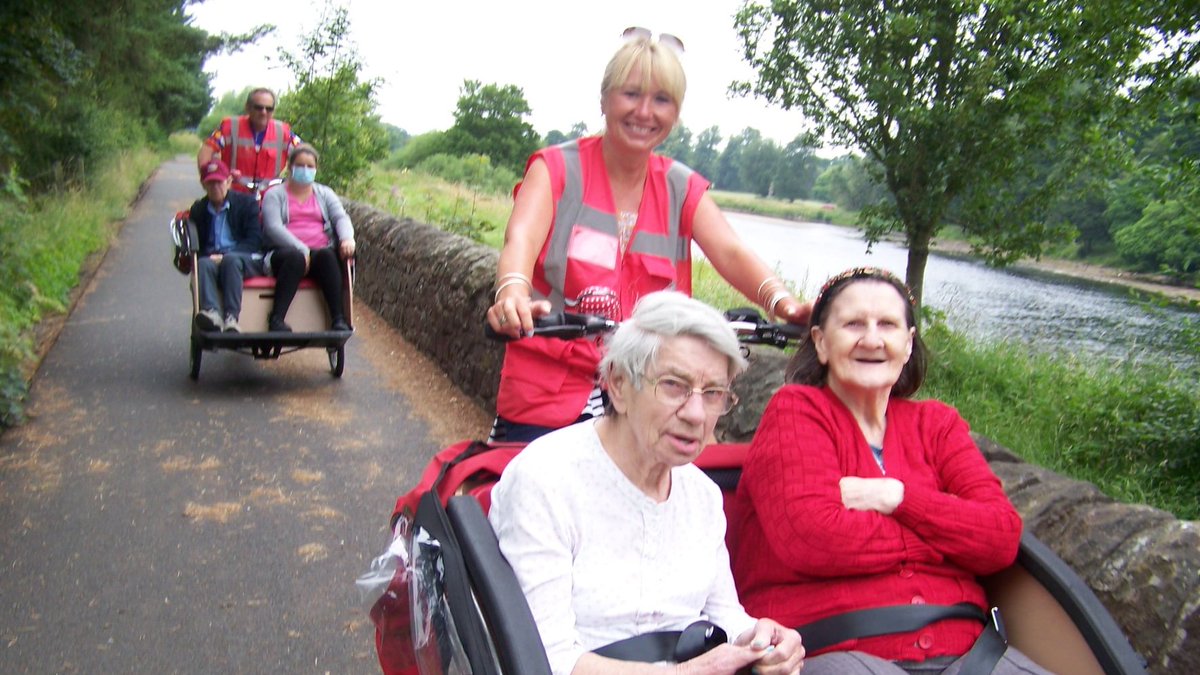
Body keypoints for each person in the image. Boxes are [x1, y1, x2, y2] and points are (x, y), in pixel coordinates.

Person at [484, 27, 812, 443]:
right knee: (522, 488)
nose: (644, 112)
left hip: (646, 386)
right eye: (631, 94)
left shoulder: (681, 186)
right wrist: (512, 291)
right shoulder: (555, 169)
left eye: (661, 100)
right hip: (549, 382)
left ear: (675, 113)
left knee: (697, 485)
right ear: (604, 99)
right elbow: (521, 240)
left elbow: (730, 251)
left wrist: (784, 304)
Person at [730, 267, 1051, 675]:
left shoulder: (938, 425)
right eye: (853, 324)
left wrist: (896, 497)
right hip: (835, 646)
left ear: (907, 344)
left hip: (972, 652)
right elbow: (814, 540)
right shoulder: (796, 411)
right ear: (821, 342)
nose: (872, 339)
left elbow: (1000, 539)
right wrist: (951, 534)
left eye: (887, 325)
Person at [489, 291, 805, 675]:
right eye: (674, 385)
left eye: (713, 394)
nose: (696, 414)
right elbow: (545, 658)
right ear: (619, 385)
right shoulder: (546, 479)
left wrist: (761, 639)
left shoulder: (701, 495)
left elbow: (723, 613)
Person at [261, 144, 354, 333]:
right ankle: (277, 319)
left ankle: (338, 318)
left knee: (328, 256)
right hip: (286, 254)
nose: (305, 170)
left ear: (316, 169)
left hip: (319, 253)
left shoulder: (325, 193)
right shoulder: (274, 195)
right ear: (290, 167)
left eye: (310, 166)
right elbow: (273, 227)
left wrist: (346, 238)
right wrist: (302, 249)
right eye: (300, 165)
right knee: (294, 258)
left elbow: (340, 217)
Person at [188, 158, 266, 333]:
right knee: (203, 263)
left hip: (244, 257)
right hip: (213, 258)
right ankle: (211, 313)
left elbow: (254, 240)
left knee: (231, 260)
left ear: (229, 182)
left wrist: (224, 257)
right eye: (210, 183)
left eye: (219, 182)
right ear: (203, 185)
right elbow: (198, 245)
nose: (215, 187)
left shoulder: (247, 204)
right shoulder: (199, 209)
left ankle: (231, 317)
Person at [197, 88, 301, 194]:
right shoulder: (230, 127)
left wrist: (294, 182)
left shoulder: (283, 132)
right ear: (248, 107)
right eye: (258, 108)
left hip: (270, 196)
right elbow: (206, 151)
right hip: (233, 195)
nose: (263, 112)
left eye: (269, 109)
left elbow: (304, 155)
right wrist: (209, 179)